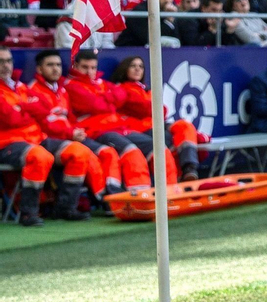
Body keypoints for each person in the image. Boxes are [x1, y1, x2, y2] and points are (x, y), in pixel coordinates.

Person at [0, 47, 101, 224]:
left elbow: (42, 112)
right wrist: (28, 108)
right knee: (40, 156)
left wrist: (22, 108)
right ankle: (28, 212)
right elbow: (10, 119)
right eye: (1, 62)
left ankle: (65, 208)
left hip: (36, 139)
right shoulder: (22, 89)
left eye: (8, 61)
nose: (6, 65)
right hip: (8, 143)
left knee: (79, 152)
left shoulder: (20, 86)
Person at [65, 49, 176, 186]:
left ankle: (170, 191)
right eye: (85, 67)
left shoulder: (101, 83)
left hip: (118, 127)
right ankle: (138, 196)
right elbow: (96, 105)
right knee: (131, 152)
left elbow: (120, 94)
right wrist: (108, 101)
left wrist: (105, 100)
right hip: (96, 131)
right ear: (75, 66)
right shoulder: (70, 85)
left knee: (159, 148)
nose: (89, 72)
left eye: (93, 68)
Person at [108, 55, 202, 183]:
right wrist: (153, 107)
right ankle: (175, 183)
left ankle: (190, 169)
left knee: (185, 126)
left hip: (156, 123)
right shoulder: (121, 88)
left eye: (141, 66)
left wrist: (153, 107)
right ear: (125, 69)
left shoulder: (146, 89)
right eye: (133, 66)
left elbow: (162, 111)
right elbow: (143, 107)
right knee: (169, 141)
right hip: (139, 129)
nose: (137, 69)